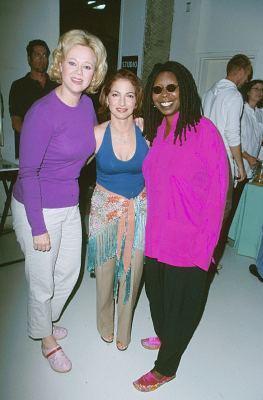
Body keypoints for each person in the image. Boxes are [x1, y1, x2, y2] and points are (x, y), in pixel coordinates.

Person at [11, 29, 107, 373]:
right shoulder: (42, 112)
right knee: (42, 279)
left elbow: (85, 152)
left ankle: (44, 321)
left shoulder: (86, 107)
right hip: (36, 204)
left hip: (68, 201)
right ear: (60, 64)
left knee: (69, 272)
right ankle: (44, 339)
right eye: (73, 63)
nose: (79, 72)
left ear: (95, 73)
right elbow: (29, 172)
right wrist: (38, 227)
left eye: (87, 67)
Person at [133, 61, 229, 392]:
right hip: (157, 235)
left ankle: (166, 367)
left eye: (171, 87)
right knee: (156, 295)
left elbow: (220, 194)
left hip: (189, 239)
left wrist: (208, 245)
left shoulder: (205, 131)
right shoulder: (157, 131)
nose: (164, 95)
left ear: (184, 89)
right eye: (157, 89)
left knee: (180, 304)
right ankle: (166, 336)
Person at [87, 69, 148, 351]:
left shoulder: (144, 136)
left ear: (137, 101)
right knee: (105, 274)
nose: (122, 102)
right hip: (104, 214)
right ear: (106, 98)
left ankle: (124, 330)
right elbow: (66, 166)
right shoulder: (96, 134)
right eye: (115, 94)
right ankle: (104, 324)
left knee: (133, 274)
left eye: (129, 95)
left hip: (138, 213)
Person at [202, 54, 253, 266]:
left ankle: (201, 254)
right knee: (221, 214)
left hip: (204, 159)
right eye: (247, 76)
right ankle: (210, 259)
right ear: (240, 71)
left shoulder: (209, 92)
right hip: (221, 163)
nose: (246, 81)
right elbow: (233, 134)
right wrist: (241, 166)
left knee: (204, 211)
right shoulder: (234, 96)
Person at [9, 39, 58, 158]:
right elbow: (16, 122)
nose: (42, 59)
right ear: (29, 59)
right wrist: (35, 139)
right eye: (37, 55)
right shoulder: (18, 86)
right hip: (30, 149)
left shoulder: (56, 86)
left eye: (45, 55)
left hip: (54, 150)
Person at [229, 79, 263, 218]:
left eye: (262, 90)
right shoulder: (241, 111)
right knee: (231, 205)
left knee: (240, 207)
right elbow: (234, 139)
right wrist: (248, 157)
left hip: (252, 169)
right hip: (239, 166)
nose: (259, 92)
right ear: (248, 91)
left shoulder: (260, 113)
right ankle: (220, 237)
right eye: (256, 88)